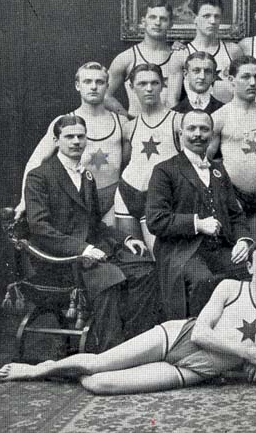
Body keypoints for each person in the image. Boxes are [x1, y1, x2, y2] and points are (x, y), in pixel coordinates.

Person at [0, 241, 256, 394]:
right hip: (176, 337)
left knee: (99, 384)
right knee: (96, 363)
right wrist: (248, 352)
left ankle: (67, 370)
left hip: (196, 369)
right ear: (250, 267)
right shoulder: (231, 287)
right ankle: (39, 370)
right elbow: (200, 334)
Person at [23, 115, 160, 351]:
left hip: (93, 256)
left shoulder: (86, 176)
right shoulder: (39, 176)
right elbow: (40, 228)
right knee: (109, 278)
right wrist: (83, 249)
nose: (76, 141)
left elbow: (95, 225)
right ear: (56, 141)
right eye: (69, 137)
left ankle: (136, 345)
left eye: (81, 136)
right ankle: (110, 351)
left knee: (145, 269)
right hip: (60, 262)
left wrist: (126, 239)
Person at [145, 109, 254, 319]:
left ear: (212, 134)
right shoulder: (164, 170)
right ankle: (197, 335)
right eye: (192, 128)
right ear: (181, 134)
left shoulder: (218, 170)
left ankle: (237, 334)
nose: (198, 134)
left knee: (251, 271)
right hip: (181, 251)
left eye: (204, 129)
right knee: (204, 281)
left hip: (219, 249)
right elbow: (155, 219)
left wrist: (243, 240)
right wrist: (197, 224)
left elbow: (235, 215)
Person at [14, 62, 128, 223]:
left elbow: (132, 163)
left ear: (107, 86)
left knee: (114, 237)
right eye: (87, 81)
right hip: (78, 201)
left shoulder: (121, 122)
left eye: (100, 82)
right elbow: (36, 160)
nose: (93, 87)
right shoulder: (63, 122)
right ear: (77, 86)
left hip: (113, 199)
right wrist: (24, 200)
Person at [112, 63, 182, 249]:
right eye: (142, 84)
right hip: (128, 193)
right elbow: (125, 162)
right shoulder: (129, 127)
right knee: (132, 255)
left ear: (163, 85)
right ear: (132, 87)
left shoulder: (178, 122)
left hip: (160, 198)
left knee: (158, 256)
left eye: (154, 83)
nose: (149, 88)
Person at [210, 56, 256, 217]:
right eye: (246, 77)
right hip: (233, 196)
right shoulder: (220, 117)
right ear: (232, 80)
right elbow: (205, 162)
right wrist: (224, 193)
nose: (253, 83)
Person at [106, 0, 186, 116]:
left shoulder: (178, 55)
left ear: (171, 24)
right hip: (137, 123)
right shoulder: (127, 58)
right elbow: (105, 95)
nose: (157, 23)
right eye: (153, 17)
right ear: (143, 21)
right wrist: (126, 117)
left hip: (169, 124)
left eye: (163, 19)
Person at [181, 0, 242, 104]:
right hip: (194, 114)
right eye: (206, 16)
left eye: (216, 16)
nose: (213, 21)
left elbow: (242, 91)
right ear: (194, 18)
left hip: (228, 113)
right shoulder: (182, 53)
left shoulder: (233, 51)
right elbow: (173, 99)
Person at [174, 51, 225, 116]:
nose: (202, 77)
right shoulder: (175, 112)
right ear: (186, 74)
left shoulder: (223, 111)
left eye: (207, 71)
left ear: (214, 77)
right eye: (196, 70)